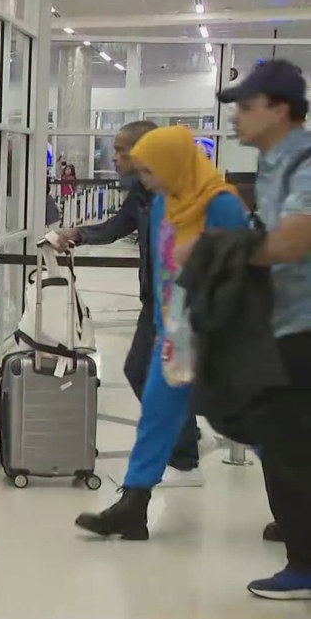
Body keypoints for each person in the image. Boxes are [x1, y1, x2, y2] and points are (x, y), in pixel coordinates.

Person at [74, 125, 248, 540]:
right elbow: (162, 274)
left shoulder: (220, 205)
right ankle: (133, 507)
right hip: (174, 333)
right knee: (155, 415)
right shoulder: (158, 206)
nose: (143, 180)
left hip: (215, 334)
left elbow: (240, 271)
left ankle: (296, 496)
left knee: (248, 421)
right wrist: (159, 326)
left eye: (149, 171)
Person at [197, 59, 311, 600]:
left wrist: (227, 254)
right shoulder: (272, 164)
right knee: (278, 433)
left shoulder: (306, 163)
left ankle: (305, 563)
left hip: (305, 328)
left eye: (247, 106)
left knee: (286, 437)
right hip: (285, 322)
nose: (237, 117)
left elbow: (294, 241)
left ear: (281, 109)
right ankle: (298, 531)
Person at [54, 121, 205, 487]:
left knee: (154, 374)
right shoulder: (141, 193)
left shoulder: (182, 194)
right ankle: (182, 440)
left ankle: (179, 448)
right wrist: (79, 234)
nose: (115, 157)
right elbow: (118, 226)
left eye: (123, 150)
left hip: (178, 304)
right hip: (152, 301)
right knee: (145, 371)